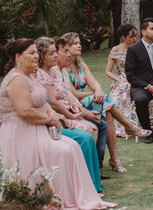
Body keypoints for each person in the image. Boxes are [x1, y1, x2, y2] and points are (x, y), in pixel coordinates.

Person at [0, 39, 115, 210]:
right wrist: (50, 119)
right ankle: (56, 195)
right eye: (31, 53)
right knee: (64, 150)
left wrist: (51, 113)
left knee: (73, 146)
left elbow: (42, 100)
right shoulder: (16, 79)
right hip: (21, 133)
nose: (36, 56)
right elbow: (25, 112)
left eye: (36, 52)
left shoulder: (30, 75)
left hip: (37, 129)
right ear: (18, 57)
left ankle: (75, 194)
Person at [58, 32, 144, 172]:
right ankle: (128, 126)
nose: (79, 46)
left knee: (108, 113)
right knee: (104, 101)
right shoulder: (63, 68)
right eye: (75, 43)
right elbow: (74, 94)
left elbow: (95, 84)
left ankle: (115, 159)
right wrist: (96, 94)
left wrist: (98, 90)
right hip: (74, 103)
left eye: (79, 43)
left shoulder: (81, 65)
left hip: (85, 100)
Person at [34, 38, 106, 192]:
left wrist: (80, 110)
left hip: (69, 110)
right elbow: (53, 102)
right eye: (51, 53)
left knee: (95, 127)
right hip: (60, 114)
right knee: (89, 130)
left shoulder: (54, 71)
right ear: (41, 56)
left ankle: (90, 177)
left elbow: (67, 94)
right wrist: (72, 116)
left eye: (55, 52)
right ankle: (83, 178)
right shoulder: (41, 74)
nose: (55, 56)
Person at [104, 23, 151, 147]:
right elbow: (108, 71)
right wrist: (120, 80)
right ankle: (126, 125)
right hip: (122, 79)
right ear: (123, 37)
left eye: (136, 36)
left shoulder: (140, 48)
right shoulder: (116, 50)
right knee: (123, 91)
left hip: (137, 78)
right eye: (131, 37)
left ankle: (145, 123)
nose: (134, 39)